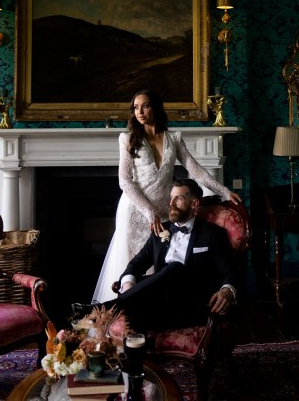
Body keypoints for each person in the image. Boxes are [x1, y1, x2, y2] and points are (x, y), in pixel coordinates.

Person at [92, 89, 242, 303]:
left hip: (165, 209)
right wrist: (148, 211)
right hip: (135, 210)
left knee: (159, 263)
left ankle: (157, 314)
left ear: (156, 107)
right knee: (134, 264)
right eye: (135, 107)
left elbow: (196, 169)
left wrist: (224, 191)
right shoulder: (127, 139)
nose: (139, 111)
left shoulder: (173, 138)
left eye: (145, 106)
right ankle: (117, 314)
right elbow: (124, 181)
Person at [75, 178, 237, 333]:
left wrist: (227, 290)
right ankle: (136, 360)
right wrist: (127, 286)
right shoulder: (160, 231)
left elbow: (229, 272)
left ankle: (106, 308)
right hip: (158, 304)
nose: (171, 203)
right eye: (171, 198)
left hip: (189, 304)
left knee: (174, 267)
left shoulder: (212, 234)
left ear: (194, 204)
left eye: (178, 199)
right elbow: (135, 265)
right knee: (136, 305)